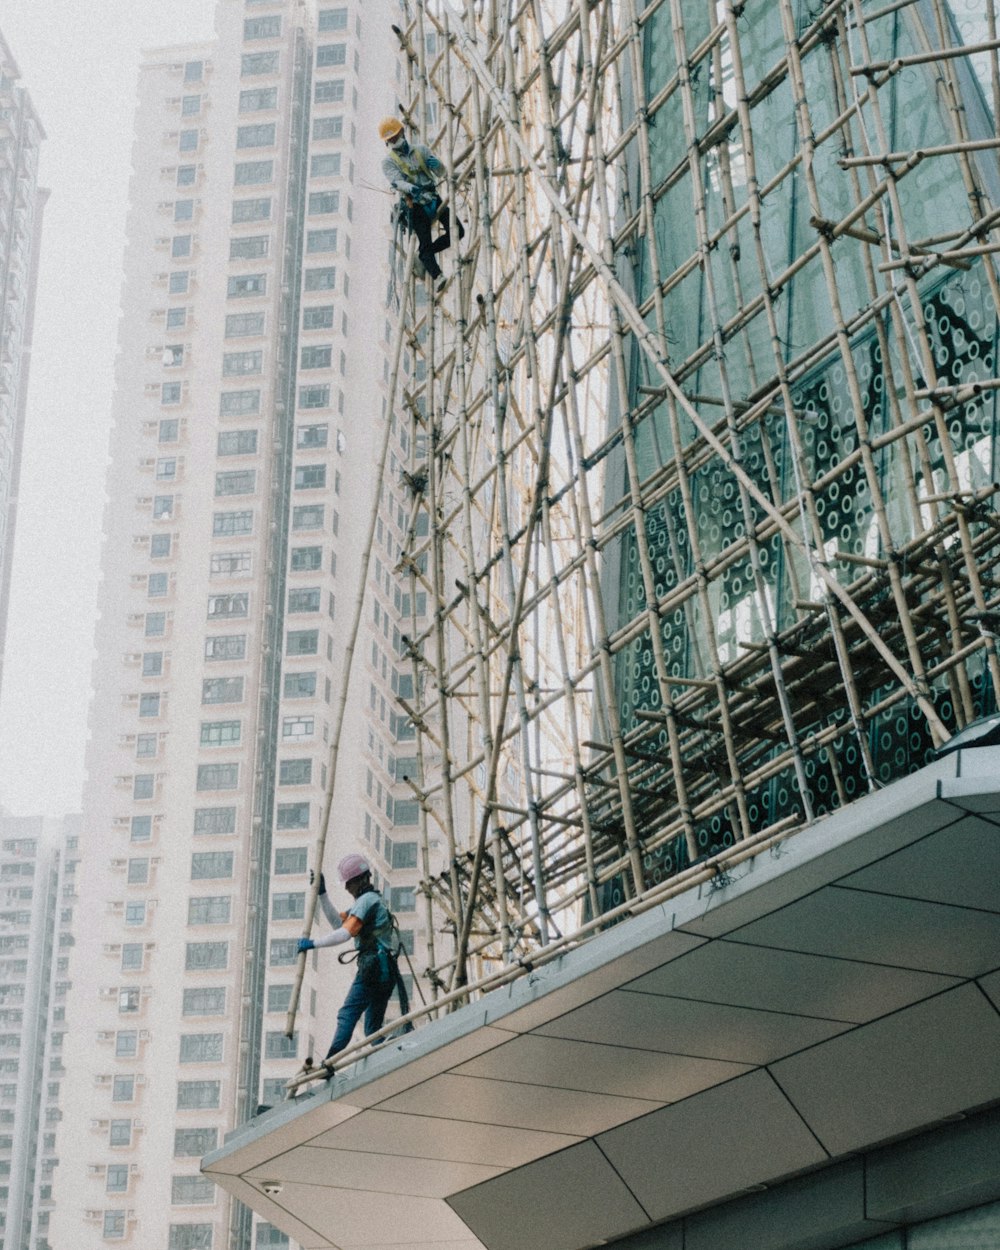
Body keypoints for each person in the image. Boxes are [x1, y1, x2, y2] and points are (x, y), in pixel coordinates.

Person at [297, 853, 411, 1063]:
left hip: (374, 967)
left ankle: (330, 1060)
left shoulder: (366, 901)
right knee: (372, 1031)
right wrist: (322, 894)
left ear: (360, 880)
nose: (347, 888)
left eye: (348, 884)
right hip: (385, 971)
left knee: (347, 1013)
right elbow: (336, 923)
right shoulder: (370, 901)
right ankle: (397, 1053)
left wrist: (313, 944)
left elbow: (344, 934)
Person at [378, 116, 462, 284]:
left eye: (395, 136)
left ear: (402, 132)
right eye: (390, 139)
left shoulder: (421, 150)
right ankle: (437, 275)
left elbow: (441, 173)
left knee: (457, 231)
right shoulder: (388, 162)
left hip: (432, 197)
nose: (394, 141)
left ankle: (425, 254)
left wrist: (437, 165)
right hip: (414, 204)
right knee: (424, 238)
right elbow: (397, 181)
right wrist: (412, 189)